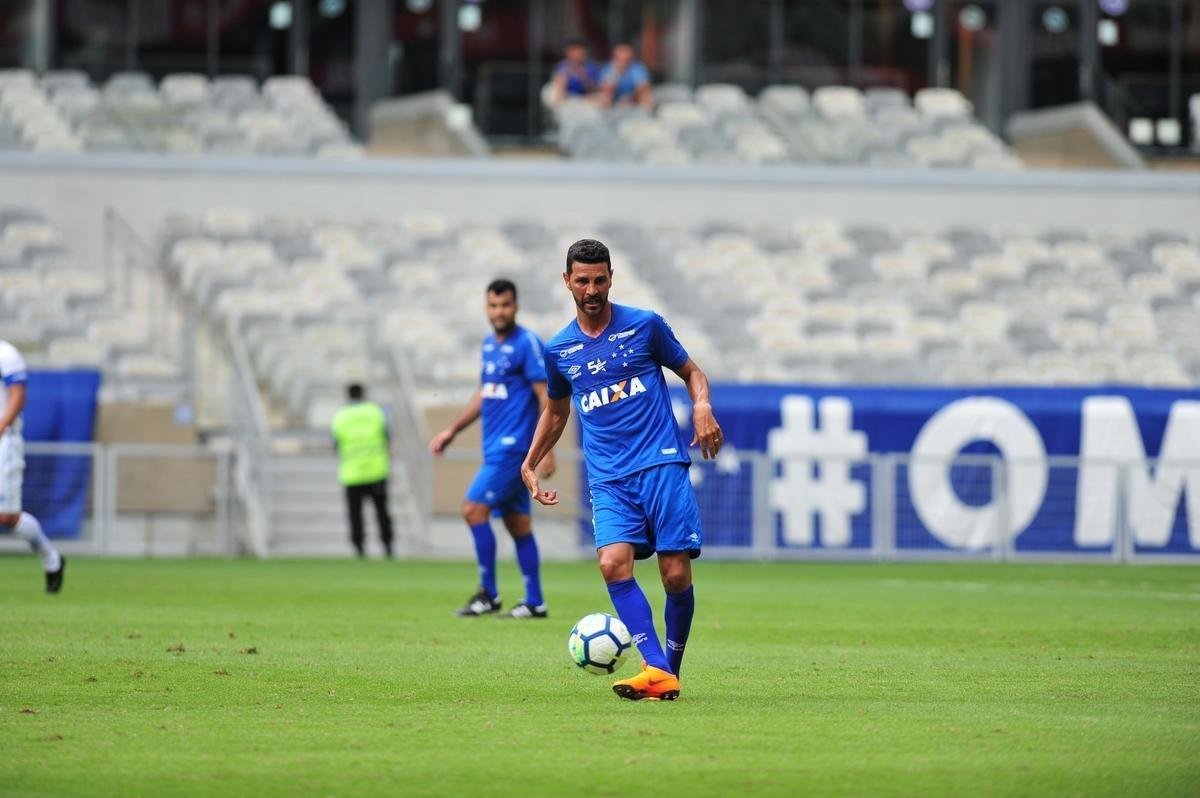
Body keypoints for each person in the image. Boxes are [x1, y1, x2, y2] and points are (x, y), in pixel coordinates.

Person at [520, 240, 722, 701]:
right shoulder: (558, 350)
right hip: (609, 477)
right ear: (566, 280)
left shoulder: (645, 326)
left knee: (675, 575)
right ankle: (656, 669)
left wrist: (703, 404)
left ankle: (667, 669)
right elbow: (555, 412)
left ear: (611, 277)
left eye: (599, 279)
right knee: (612, 564)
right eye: (582, 280)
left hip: (661, 464)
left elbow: (692, 372)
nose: (591, 289)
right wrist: (529, 462)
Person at [429, 279, 556, 619]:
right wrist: (452, 430)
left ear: (515, 306)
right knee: (517, 524)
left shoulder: (527, 343)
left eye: (505, 305)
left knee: (472, 509)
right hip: (496, 449)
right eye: (493, 306)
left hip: (513, 449)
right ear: (487, 308)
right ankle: (534, 601)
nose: (499, 312)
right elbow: (483, 394)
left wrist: (545, 450)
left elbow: (546, 395)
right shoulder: (488, 345)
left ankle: (489, 594)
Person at [0, 340, 64, 593]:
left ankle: (51, 558)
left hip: (5, 441)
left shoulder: (6, 353)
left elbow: (18, 395)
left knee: (7, 516)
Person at [331, 383, 394, 558]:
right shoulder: (376, 412)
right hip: (377, 470)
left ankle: (359, 548)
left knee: (355, 515)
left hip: (352, 473)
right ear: (363, 394)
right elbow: (387, 437)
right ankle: (388, 545)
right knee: (382, 512)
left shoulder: (340, 416)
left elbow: (335, 444)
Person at [598, 43, 653, 109]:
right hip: (614, 98)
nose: (624, 61)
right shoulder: (608, 68)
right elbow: (605, 90)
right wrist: (616, 73)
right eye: (620, 58)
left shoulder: (637, 68)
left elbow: (643, 87)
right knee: (603, 98)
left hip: (632, 97)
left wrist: (630, 98)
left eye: (627, 58)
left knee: (646, 96)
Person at [550, 39, 601, 104]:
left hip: (587, 99)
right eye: (573, 51)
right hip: (568, 99)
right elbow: (559, 88)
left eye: (579, 51)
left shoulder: (591, 66)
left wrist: (582, 74)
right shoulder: (562, 67)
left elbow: (594, 89)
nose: (576, 54)